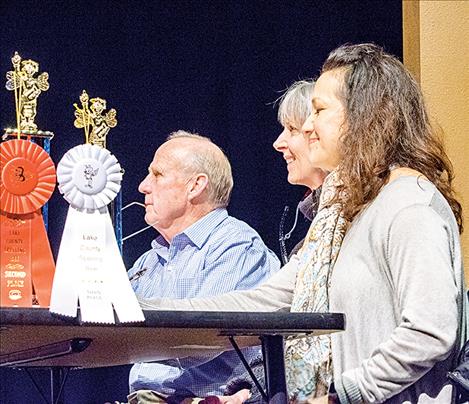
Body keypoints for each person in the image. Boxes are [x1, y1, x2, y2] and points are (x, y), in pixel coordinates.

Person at [139, 43, 466, 404]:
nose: (308, 127)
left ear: (368, 116)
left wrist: (343, 394)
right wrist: (142, 312)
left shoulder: (407, 203)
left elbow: (430, 330)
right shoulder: (340, 215)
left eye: (319, 111)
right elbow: (268, 302)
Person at [127, 131, 280, 402]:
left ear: (195, 186)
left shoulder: (235, 244)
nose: (143, 186)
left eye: (157, 174)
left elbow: (200, 341)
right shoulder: (149, 260)